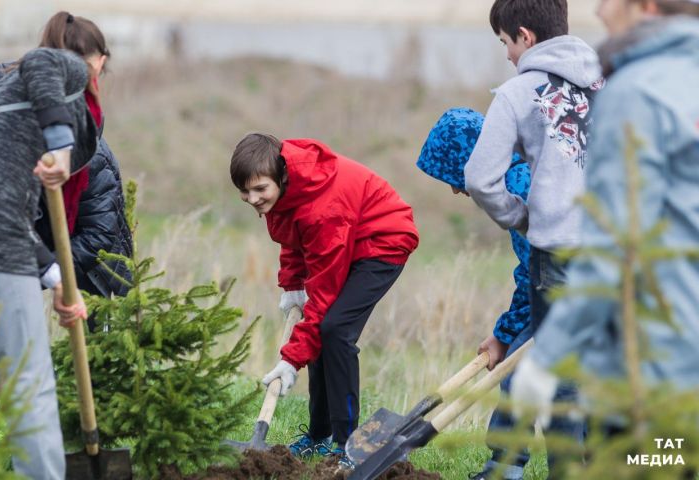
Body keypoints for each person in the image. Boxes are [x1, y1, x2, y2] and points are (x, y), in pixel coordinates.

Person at [511, 1, 699, 477]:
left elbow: (615, 241)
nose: (598, 9)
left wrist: (548, 356)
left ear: (646, 6)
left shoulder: (634, 91)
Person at [463, 0, 603, 476]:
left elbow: (481, 178)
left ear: (524, 35)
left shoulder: (518, 92)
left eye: (504, 42)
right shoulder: (611, 81)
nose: (506, 54)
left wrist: (521, 217)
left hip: (561, 248)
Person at [230, 134, 419, 468]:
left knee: (335, 331)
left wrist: (291, 361)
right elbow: (292, 239)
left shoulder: (322, 209)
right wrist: (291, 285)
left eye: (260, 189)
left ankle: (346, 443)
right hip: (346, 238)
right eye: (245, 192)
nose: (252, 199)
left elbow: (323, 296)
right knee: (320, 329)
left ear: (280, 176)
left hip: (382, 242)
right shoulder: (285, 193)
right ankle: (319, 434)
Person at [0, 46, 97, 478]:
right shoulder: (60, 70)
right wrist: (61, 147)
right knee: (29, 387)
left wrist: (56, 278)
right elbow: (42, 60)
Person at [417, 107, 533, 480]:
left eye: (454, 175)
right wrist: (503, 333)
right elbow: (532, 273)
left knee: (523, 374)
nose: (453, 189)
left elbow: (537, 275)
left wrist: (506, 335)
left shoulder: (520, 187)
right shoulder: (519, 173)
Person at [31, 12, 133, 327]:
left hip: (95, 281)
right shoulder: (28, 130)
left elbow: (99, 237)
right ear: (100, 64)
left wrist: (45, 271)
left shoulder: (92, 154)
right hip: (45, 264)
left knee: (95, 363)